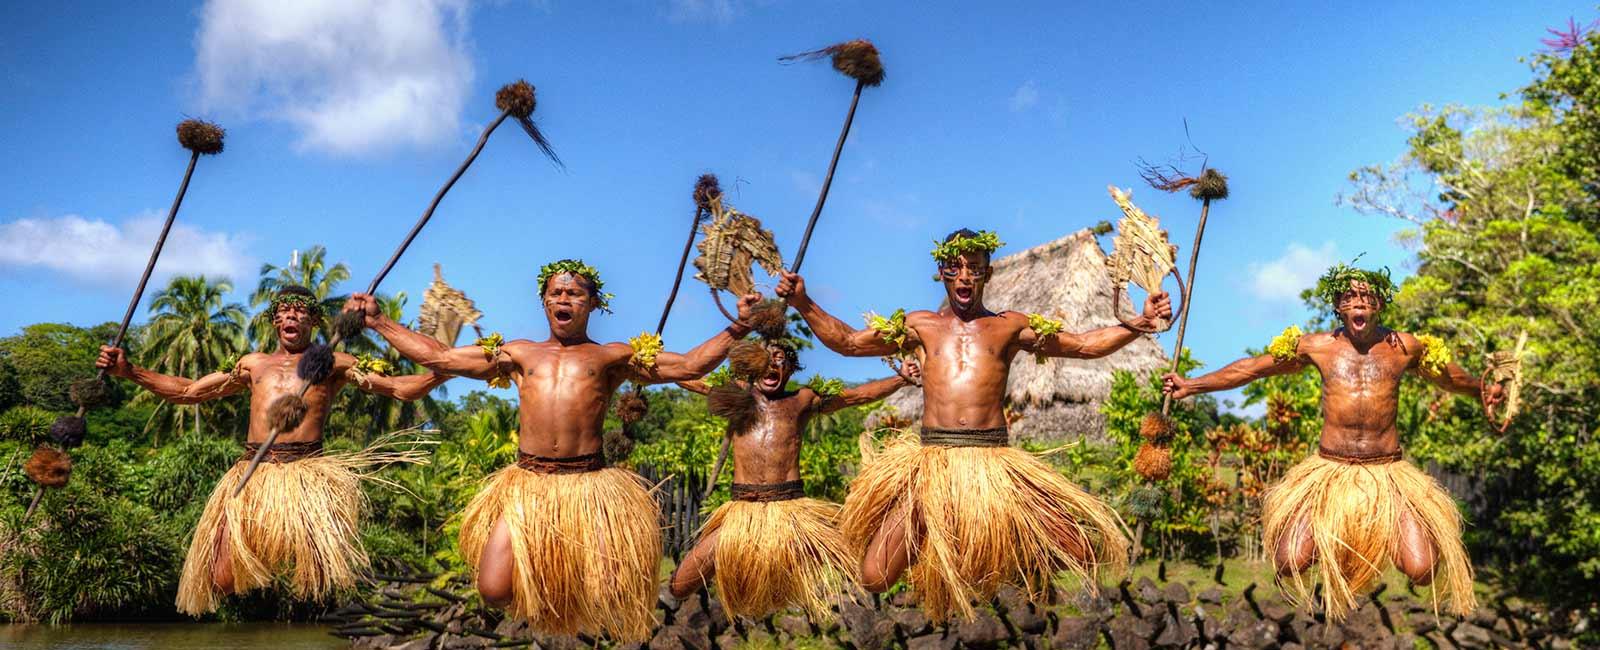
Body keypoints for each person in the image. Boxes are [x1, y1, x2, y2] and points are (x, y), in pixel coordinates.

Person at [346, 259, 759, 642]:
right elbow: (441, 356)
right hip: (530, 484)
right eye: (556, 293)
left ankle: (573, 615)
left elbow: (689, 366)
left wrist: (738, 327)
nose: (564, 300)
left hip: (589, 486)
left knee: (611, 588)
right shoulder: (518, 354)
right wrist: (379, 321)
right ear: (544, 301)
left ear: (592, 303)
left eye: (574, 294)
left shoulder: (613, 356)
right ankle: (544, 590)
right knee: (492, 589)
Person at [775, 228, 1171, 621]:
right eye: (955, 267)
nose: (965, 276)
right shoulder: (918, 326)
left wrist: (1140, 322)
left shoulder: (1010, 326)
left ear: (987, 274)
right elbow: (847, 342)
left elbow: (1084, 346)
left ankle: (1004, 544)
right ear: (942, 272)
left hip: (993, 464)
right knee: (875, 576)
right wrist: (803, 301)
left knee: (1084, 549)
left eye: (974, 268)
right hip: (933, 464)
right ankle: (941, 547)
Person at [1162, 263, 1503, 620]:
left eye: (1367, 297)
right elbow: (1252, 368)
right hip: (1329, 472)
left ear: (1380, 305)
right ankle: (1339, 540)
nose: (1359, 304)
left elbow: (1449, 377)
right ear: (1338, 305)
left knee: (1421, 569)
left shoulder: (1404, 347)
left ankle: (1373, 536)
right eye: (1350, 297)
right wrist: (1194, 385)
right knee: (1290, 560)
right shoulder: (1317, 347)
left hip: (1388, 473)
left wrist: (1482, 390)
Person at [97, 285, 449, 615]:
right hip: (254, 473)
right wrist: (130, 372)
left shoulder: (336, 363)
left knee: (318, 581)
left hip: (305, 476)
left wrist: (443, 371)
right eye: (284, 312)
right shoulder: (252, 364)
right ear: (275, 321)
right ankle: (258, 581)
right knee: (220, 580)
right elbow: (190, 392)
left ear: (313, 321)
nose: (291, 317)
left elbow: (400, 389)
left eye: (299, 312)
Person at [668, 339, 916, 619]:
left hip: (792, 514)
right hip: (742, 513)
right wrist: (652, 359)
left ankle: (910, 535)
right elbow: (688, 377)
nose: (773, 364)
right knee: (679, 585)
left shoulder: (802, 400)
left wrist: (900, 379)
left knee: (865, 570)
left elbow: (856, 396)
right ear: (753, 366)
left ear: (789, 369)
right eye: (766, 359)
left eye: (780, 360)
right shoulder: (736, 395)